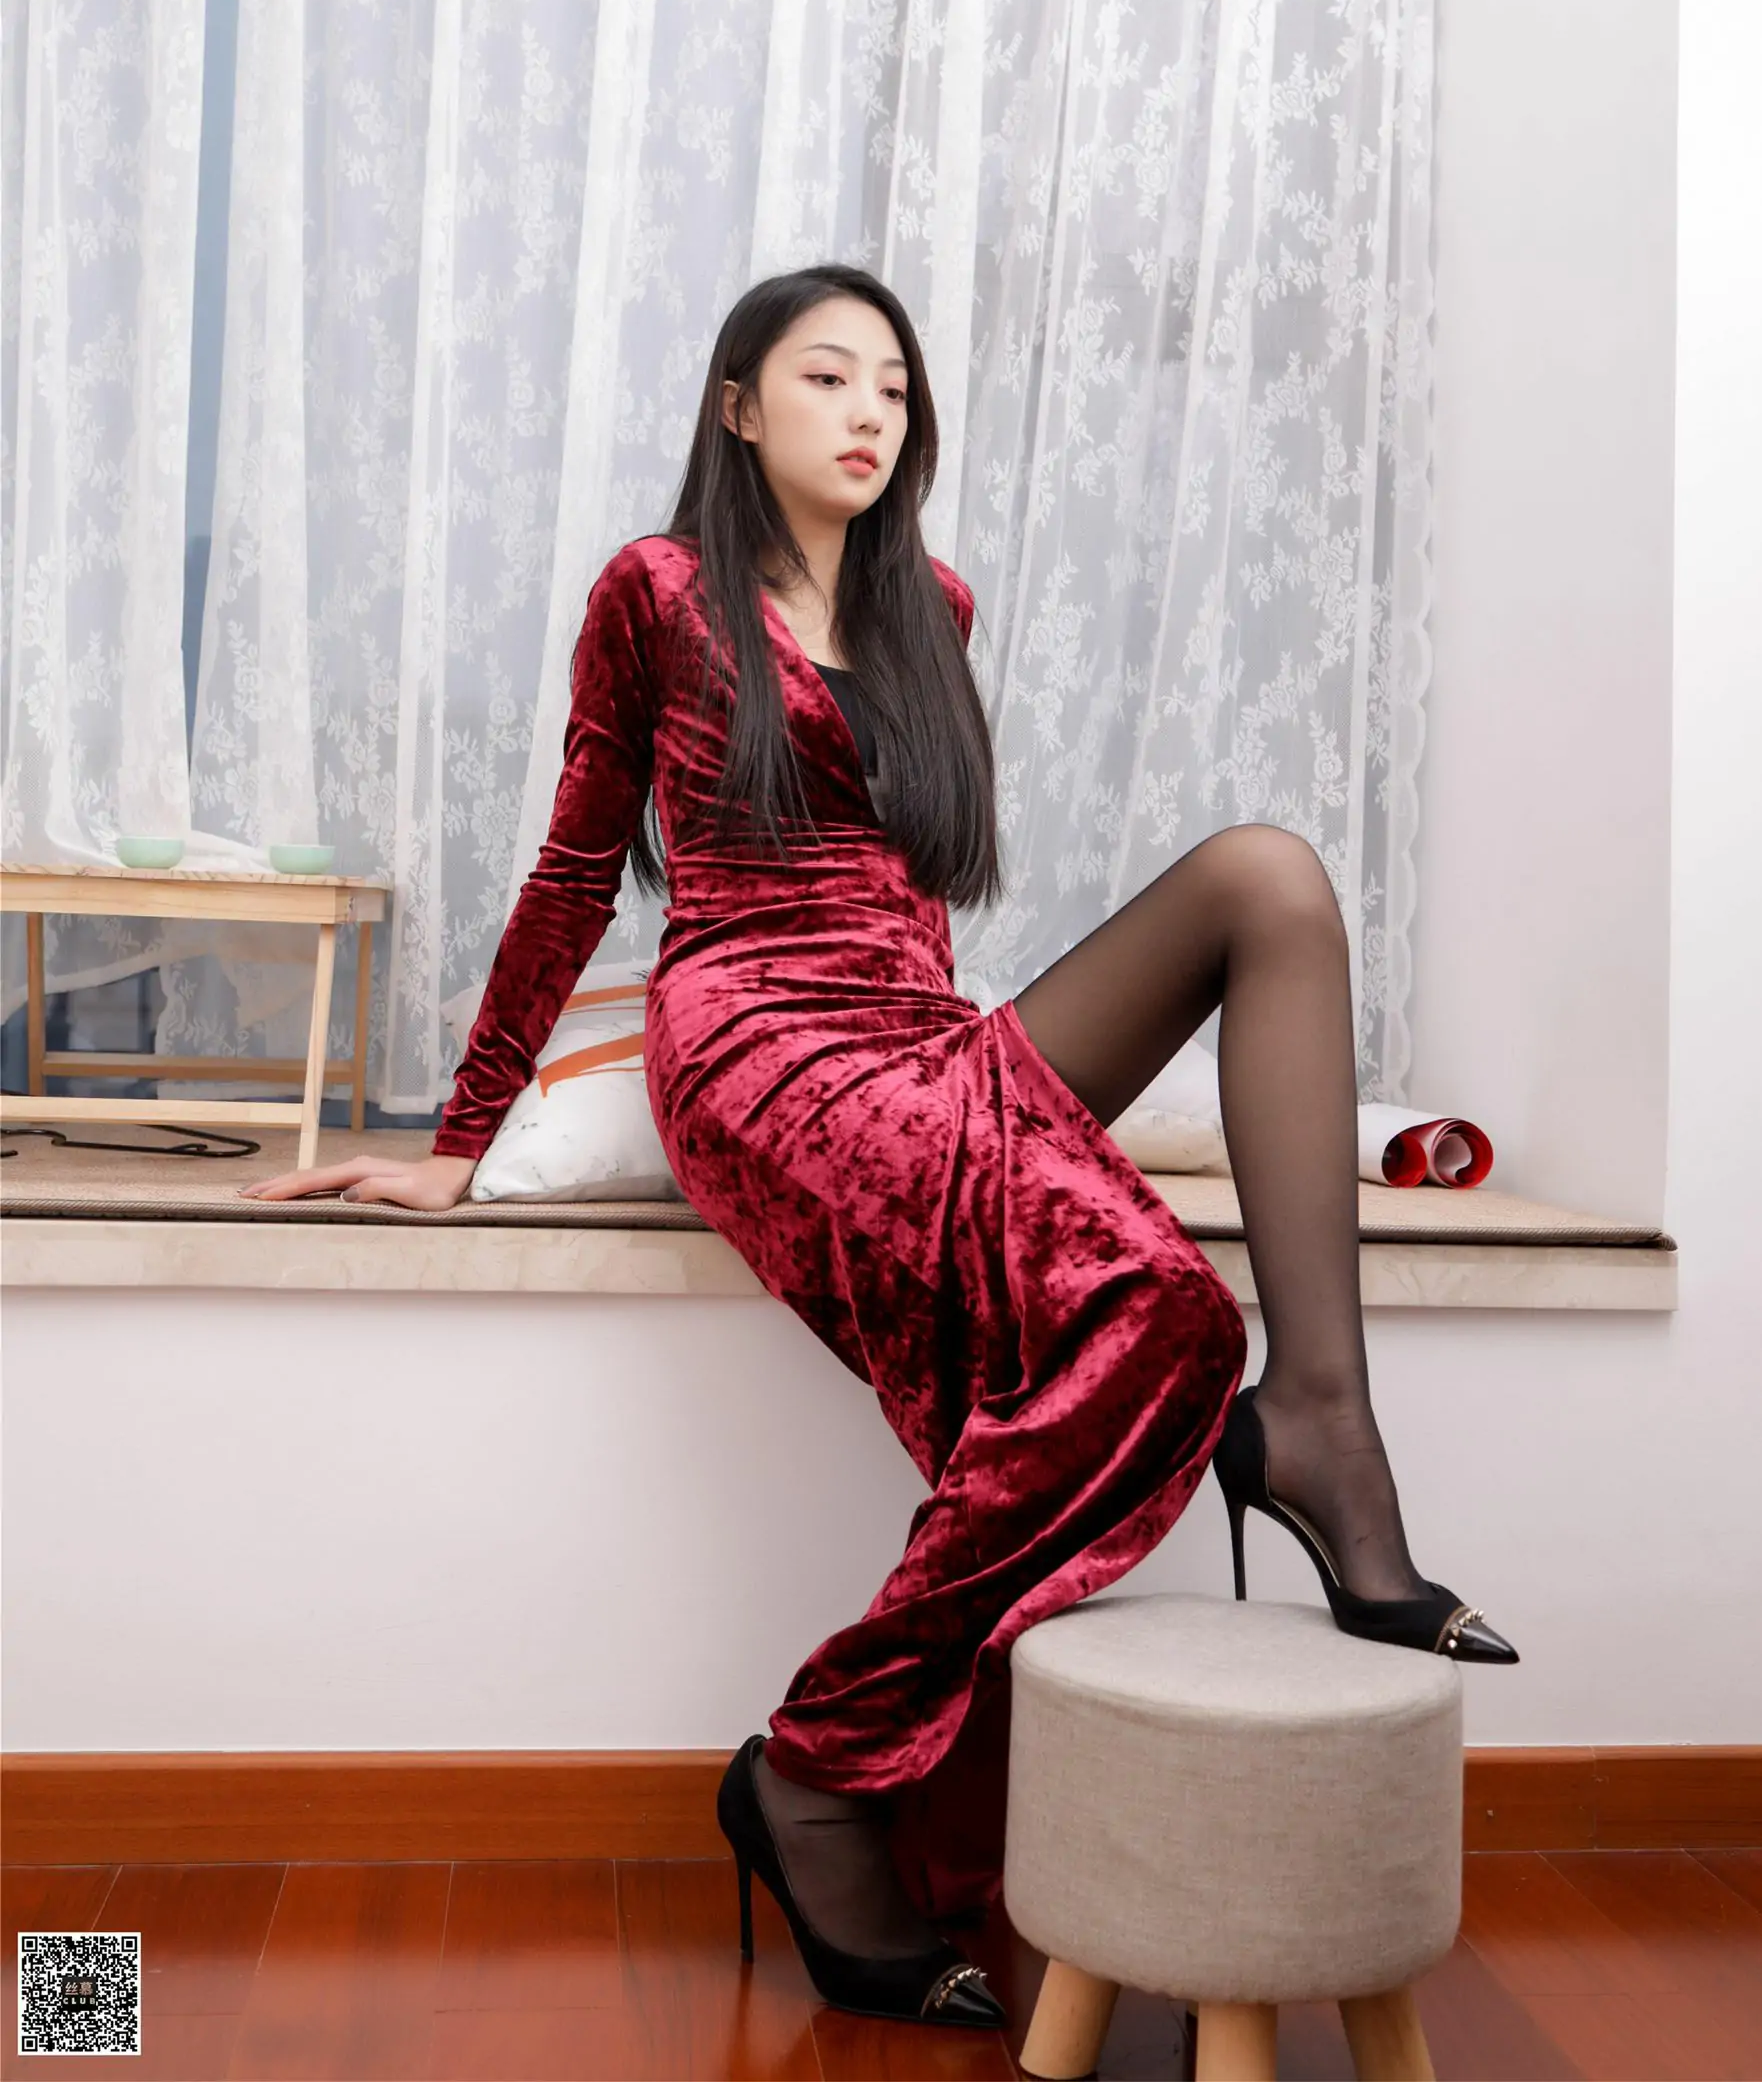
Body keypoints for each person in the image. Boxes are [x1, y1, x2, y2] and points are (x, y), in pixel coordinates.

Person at [243, 261, 1516, 2033]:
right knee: (1162, 1316)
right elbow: (575, 865)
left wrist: (968, 1067)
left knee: (1271, 888)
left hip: (921, 1035)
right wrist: (461, 1140)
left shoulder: (936, 608)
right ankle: (820, 1766)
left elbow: (916, 894)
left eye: (896, 389)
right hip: (759, 1043)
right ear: (738, 406)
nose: (868, 413)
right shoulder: (659, 589)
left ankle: (1316, 1417)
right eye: (827, 377)